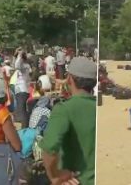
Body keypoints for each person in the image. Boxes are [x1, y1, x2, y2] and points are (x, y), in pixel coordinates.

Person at [40, 57, 97, 185]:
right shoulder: (100, 108)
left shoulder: (64, 109)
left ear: (70, 79)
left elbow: (49, 149)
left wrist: (55, 176)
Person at [14, 50, 32, 128]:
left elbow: (17, 65)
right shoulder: (27, 66)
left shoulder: (23, 66)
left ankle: (24, 128)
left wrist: (19, 54)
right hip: (24, 90)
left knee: (21, 111)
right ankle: (25, 126)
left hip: (21, 90)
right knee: (24, 110)